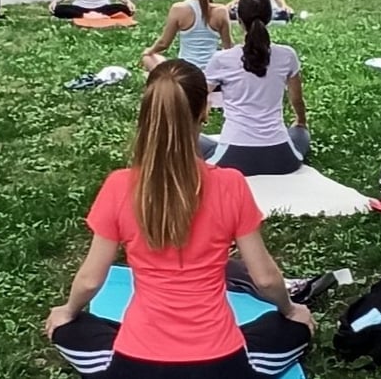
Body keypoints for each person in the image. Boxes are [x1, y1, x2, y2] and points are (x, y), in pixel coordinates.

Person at [44, 60, 314, 379]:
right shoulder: (230, 184)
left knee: (71, 327)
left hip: (135, 367)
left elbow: (90, 280)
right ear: (204, 111)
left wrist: (68, 311)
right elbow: (266, 279)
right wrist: (290, 310)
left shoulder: (119, 185)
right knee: (290, 327)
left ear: (147, 113)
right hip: (222, 365)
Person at [202, 0, 309, 175]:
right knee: (301, 132)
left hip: (232, 160)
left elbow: (199, 96)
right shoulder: (287, 55)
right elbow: (297, 100)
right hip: (282, 158)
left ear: (240, 20)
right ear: (269, 18)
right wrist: (301, 121)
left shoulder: (222, 59)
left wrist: (201, 115)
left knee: (186, 139)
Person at [142, 0, 233, 73]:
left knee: (149, 59)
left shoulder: (178, 9)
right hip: (211, 73)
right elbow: (228, 47)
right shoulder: (221, 11)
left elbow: (163, 43)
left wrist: (149, 51)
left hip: (185, 74)